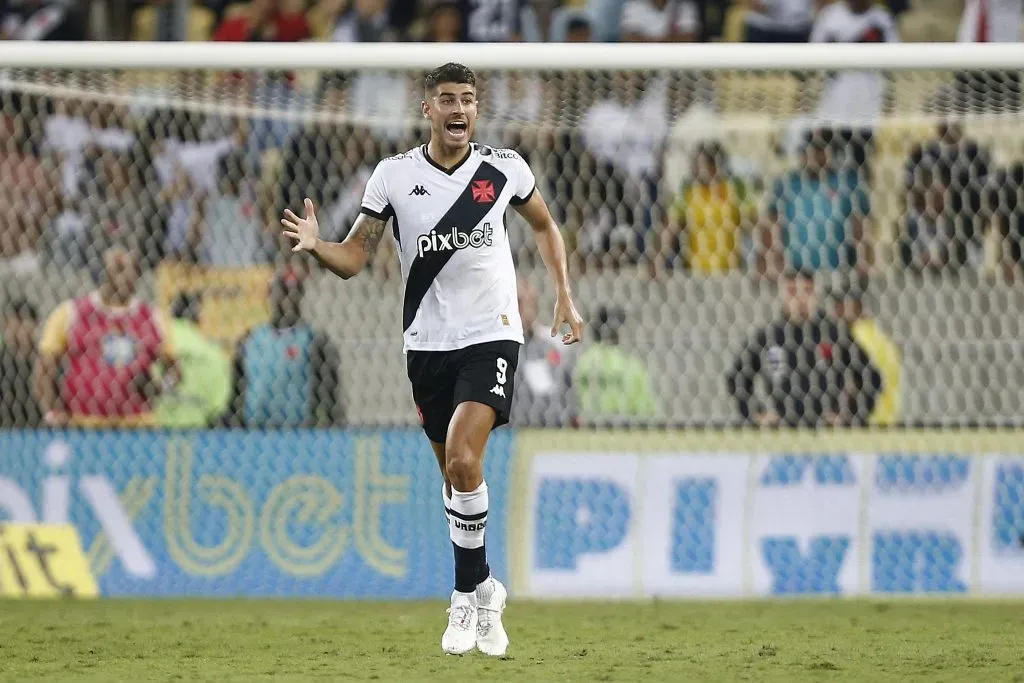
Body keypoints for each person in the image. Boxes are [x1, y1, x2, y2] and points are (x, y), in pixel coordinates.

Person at [280, 62, 584, 656]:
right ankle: (486, 586)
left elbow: (546, 228)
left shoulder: (504, 169)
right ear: (428, 109)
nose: (458, 109)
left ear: (477, 108)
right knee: (453, 477)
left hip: (492, 335)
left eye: (467, 99)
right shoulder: (393, 176)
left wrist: (563, 294)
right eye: (447, 99)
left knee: (467, 460)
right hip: (426, 345)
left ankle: (464, 596)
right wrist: (317, 246)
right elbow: (355, 257)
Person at [34, 247, 181, 428]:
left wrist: (161, 387)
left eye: (132, 268)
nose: (126, 275)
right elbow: (45, 368)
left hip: (138, 424)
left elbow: (175, 371)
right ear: (101, 271)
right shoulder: (72, 313)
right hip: (83, 423)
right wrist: (52, 413)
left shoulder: (153, 318)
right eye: (119, 267)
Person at [726, 268, 881, 427]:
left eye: (807, 290)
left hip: (826, 428)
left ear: (816, 293)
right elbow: (737, 379)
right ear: (782, 293)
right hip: (783, 428)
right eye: (792, 291)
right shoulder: (769, 336)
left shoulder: (834, 333)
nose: (800, 298)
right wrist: (757, 415)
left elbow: (872, 378)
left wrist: (850, 417)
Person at [228, 271, 339, 429]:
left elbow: (328, 391)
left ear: (300, 296)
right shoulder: (252, 339)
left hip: (298, 429)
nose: (288, 298)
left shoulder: (312, 341)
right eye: (284, 291)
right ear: (271, 295)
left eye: (294, 292)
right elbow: (237, 386)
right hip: (255, 430)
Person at [827, 277, 902, 427]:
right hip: (889, 418)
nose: (836, 310)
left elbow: (868, 381)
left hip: (870, 420)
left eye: (841, 304)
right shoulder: (879, 336)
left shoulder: (857, 337)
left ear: (857, 306)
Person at [155, 294, 232, 428]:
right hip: (198, 424)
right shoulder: (213, 352)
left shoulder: (159, 343)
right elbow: (219, 403)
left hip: (158, 424)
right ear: (199, 318)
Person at [572, 306, 658, 425]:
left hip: (590, 424)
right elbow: (646, 406)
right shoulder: (631, 364)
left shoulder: (583, 362)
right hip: (627, 425)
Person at [0, 298, 42, 427]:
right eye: (9, 323)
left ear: (35, 324)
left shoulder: (44, 360)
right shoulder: (3, 361)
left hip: (38, 427)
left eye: (22, 321)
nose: (15, 328)